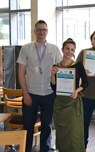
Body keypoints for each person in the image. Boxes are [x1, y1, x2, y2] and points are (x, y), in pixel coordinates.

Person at [17, 20, 62, 152]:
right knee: (28, 126)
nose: (41, 32)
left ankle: (45, 150)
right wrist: (25, 93)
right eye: (39, 29)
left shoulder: (54, 49)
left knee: (47, 126)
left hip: (49, 93)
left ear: (47, 31)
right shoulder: (26, 48)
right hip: (30, 93)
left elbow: (62, 68)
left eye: (44, 29)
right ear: (34, 31)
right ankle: (26, 149)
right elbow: (21, 72)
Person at [51, 38, 88, 152]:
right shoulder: (56, 66)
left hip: (73, 103)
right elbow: (53, 87)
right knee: (62, 134)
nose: (69, 52)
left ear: (74, 52)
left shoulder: (78, 66)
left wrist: (77, 91)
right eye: (67, 49)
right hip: (60, 104)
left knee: (74, 133)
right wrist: (52, 75)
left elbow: (86, 83)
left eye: (72, 50)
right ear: (62, 49)